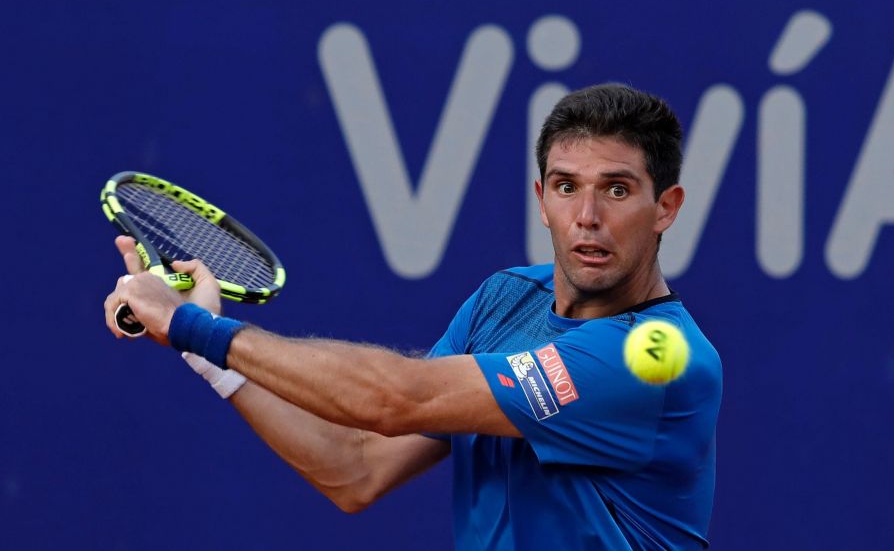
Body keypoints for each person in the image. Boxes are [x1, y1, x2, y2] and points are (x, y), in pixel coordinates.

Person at [103, 84, 723, 550]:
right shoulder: (505, 299)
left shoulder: (658, 359)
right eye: (566, 186)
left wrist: (193, 326)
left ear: (665, 208)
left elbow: (396, 398)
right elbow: (356, 468)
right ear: (542, 200)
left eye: (616, 189)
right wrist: (203, 352)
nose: (587, 215)